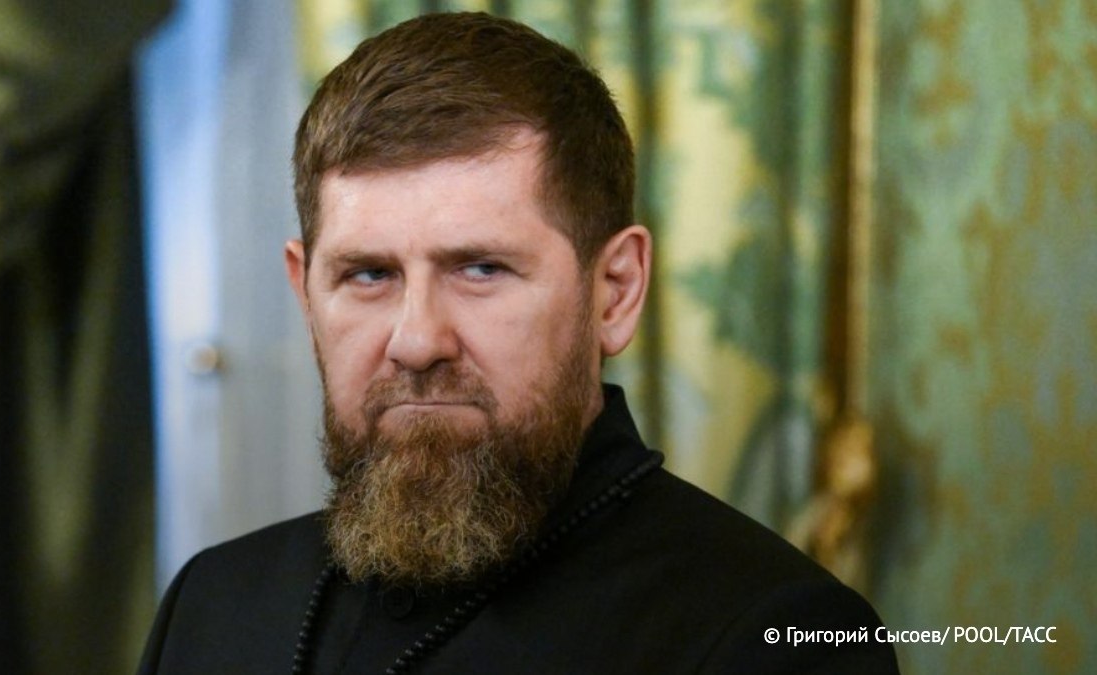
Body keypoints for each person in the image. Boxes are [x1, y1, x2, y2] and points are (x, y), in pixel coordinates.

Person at [137, 12, 899, 674]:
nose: (417, 341)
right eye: (368, 274)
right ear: (307, 296)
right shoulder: (211, 602)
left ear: (615, 290)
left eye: (480, 268)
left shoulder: (775, 638)